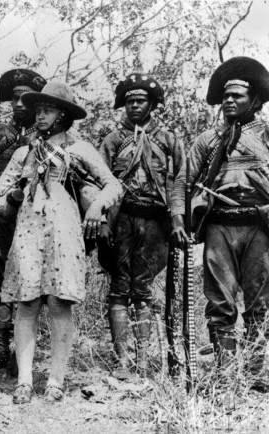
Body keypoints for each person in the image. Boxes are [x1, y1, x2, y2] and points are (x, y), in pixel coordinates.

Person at [0, 82, 122, 404]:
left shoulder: (79, 148)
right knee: (26, 303)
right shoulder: (24, 152)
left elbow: (114, 184)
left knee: (59, 303)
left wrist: (98, 207)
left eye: (47, 110)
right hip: (28, 228)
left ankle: (56, 380)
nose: (40, 115)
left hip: (64, 227)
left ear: (62, 115)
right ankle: (25, 381)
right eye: (38, 110)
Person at [171, 57, 269, 391]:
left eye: (237, 96)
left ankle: (258, 374)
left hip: (260, 227)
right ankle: (225, 375)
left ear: (253, 101)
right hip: (218, 227)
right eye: (226, 96)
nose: (229, 101)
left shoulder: (267, 135)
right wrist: (179, 220)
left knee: (261, 301)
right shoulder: (207, 141)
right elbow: (183, 183)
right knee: (220, 302)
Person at [98, 73, 183, 379]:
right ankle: (122, 362)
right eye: (129, 101)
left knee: (143, 291)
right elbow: (100, 183)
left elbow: (180, 182)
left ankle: (144, 361)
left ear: (152, 104)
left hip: (155, 223)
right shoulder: (113, 140)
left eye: (140, 101)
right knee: (119, 289)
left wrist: (177, 219)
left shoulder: (169, 139)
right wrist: (105, 222)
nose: (134, 106)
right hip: (121, 221)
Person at [0, 68, 46, 373]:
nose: (18, 105)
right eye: (14, 99)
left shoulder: (45, 137)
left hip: (31, 217)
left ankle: (24, 348)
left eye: (24, 100)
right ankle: (0, 344)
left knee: (29, 278)